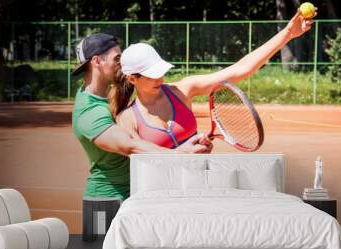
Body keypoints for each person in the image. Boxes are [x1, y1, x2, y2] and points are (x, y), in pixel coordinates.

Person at [71, 33, 212, 239]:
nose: (122, 64)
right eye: (117, 59)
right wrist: (179, 154)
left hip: (135, 195)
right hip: (105, 199)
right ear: (97, 61)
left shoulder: (109, 98)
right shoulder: (89, 112)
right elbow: (130, 146)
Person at [113, 11, 314, 147]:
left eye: (160, 71)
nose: (160, 78)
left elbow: (241, 69)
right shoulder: (127, 119)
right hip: (158, 200)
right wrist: (184, 154)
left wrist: (287, 34)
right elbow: (139, 163)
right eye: (152, 74)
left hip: (200, 190)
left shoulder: (182, 90)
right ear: (132, 79)